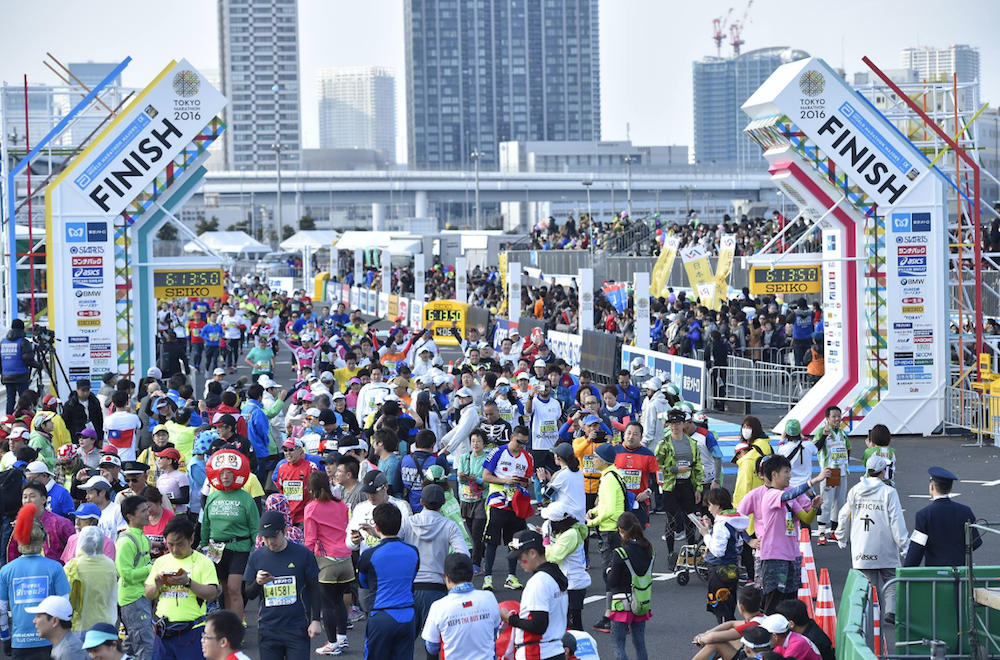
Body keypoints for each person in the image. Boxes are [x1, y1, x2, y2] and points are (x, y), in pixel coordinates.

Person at [737, 456, 827, 614]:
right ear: (774, 475)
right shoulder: (770, 495)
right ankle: (768, 634)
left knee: (790, 602)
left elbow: (806, 517)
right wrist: (814, 480)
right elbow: (738, 518)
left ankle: (786, 635)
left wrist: (813, 507)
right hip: (773, 556)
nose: (790, 475)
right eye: (786, 472)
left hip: (792, 555)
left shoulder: (790, 493)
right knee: (773, 602)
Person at [836, 455, 907, 623]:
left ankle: (871, 616)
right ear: (883, 471)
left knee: (869, 584)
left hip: (863, 546)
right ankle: (891, 611)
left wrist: (841, 536)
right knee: (891, 580)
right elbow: (896, 521)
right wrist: (904, 544)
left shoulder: (855, 490)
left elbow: (844, 515)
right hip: (885, 546)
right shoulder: (889, 492)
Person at [243, 511, 323, 660]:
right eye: (266, 538)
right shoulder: (256, 557)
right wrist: (257, 583)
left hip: (297, 628)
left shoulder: (303, 554)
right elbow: (249, 594)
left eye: (274, 536)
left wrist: (316, 620)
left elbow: (314, 589)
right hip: (268, 629)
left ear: (285, 531)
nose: (270, 542)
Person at [143, 517, 221, 660]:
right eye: (170, 544)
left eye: (179, 544)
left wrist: (188, 582)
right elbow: (148, 594)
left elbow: (212, 593)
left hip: (192, 631)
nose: (174, 549)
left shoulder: (203, 562)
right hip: (163, 632)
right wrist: (157, 585)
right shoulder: (161, 562)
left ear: (191, 539)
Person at [0, 507, 72, 660]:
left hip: (19, 643)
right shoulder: (55, 567)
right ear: (42, 539)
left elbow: (1, 610)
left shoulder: (6, 571)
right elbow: (65, 605)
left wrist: (5, 638)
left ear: (19, 538)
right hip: (51, 640)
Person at [399, 484, 469, 632]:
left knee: (406, 640)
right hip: (437, 586)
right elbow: (464, 555)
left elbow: (392, 543)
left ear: (421, 502)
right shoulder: (450, 526)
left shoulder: (407, 522)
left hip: (409, 588)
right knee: (433, 641)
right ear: (443, 502)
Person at [357, 503, 420, 660]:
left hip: (381, 615)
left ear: (376, 527)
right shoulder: (413, 551)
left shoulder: (369, 555)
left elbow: (364, 583)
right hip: (408, 614)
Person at [201, 457, 260, 625]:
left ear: (236, 475)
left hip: (239, 547)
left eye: (229, 473)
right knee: (223, 589)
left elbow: (255, 525)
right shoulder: (213, 497)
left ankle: (237, 625)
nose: (225, 476)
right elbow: (205, 522)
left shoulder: (246, 498)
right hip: (215, 548)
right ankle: (227, 625)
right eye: (222, 473)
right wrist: (204, 544)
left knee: (234, 589)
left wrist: (257, 548)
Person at [303, 472, 353, 656]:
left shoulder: (311, 508)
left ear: (310, 488)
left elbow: (310, 540)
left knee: (327, 604)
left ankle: (332, 643)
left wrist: (305, 562)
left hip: (326, 561)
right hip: (346, 558)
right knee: (339, 600)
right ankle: (342, 637)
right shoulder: (341, 504)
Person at [501, 529, 569, 660]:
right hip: (555, 649)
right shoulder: (555, 576)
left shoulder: (538, 582)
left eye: (521, 557)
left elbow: (539, 625)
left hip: (537, 652)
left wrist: (510, 618)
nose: (519, 562)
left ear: (532, 553)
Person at [481, 426, 534, 592]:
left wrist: (524, 483)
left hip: (516, 504)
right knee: (492, 542)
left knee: (515, 542)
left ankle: (511, 576)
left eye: (524, 443)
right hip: (497, 502)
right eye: (519, 442)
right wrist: (505, 481)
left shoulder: (527, 457)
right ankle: (487, 578)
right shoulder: (498, 452)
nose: (521, 446)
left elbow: (529, 480)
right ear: (512, 437)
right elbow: (485, 477)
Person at [421, 553, 501, 660]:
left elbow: (431, 646)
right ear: (472, 576)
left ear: (447, 578)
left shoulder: (438, 606)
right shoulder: (489, 598)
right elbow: (494, 631)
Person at [904, 467, 982, 567]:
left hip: (935, 574)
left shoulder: (924, 514)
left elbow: (917, 548)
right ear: (950, 489)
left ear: (932, 487)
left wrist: (906, 572)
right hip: (959, 572)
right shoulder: (965, 511)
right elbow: (975, 542)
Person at [586, 442, 626, 634]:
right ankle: (612, 615)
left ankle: (612, 617)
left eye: (595, 456)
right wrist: (594, 511)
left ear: (602, 460)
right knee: (616, 574)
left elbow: (609, 510)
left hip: (610, 531)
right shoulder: (613, 474)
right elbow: (607, 505)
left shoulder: (608, 479)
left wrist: (592, 523)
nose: (592, 459)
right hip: (616, 529)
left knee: (611, 575)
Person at [656, 408, 704, 562]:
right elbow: (657, 467)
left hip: (687, 485)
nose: (674, 427)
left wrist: (698, 488)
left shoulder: (692, 443)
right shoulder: (663, 444)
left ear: (683, 424)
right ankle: (671, 553)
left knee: (690, 519)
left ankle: (691, 551)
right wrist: (675, 470)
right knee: (672, 519)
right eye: (671, 424)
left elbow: (697, 466)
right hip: (671, 487)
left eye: (677, 423)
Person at [607, 512, 654, 660]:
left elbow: (612, 581)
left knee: (619, 644)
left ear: (621, 530)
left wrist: (608, 571)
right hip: (641, 600)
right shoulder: (648, 549)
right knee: (640, 643)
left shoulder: (620, 553)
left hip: (621, 602)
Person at [701, 487, 749, 623]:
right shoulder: (735, 519)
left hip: (719, 570)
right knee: (728, 609)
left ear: (717, 504)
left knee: (722, 613)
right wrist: (710, 529)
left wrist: (706, 535)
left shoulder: (722, 523)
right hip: (732, 567)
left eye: (710, 505)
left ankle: (728, 642)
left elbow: (718, 551)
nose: (709, 509)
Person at [115, 496, 154, 660]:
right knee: (146, 647)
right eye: (143, 511)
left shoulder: (142, 536)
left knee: (131, 646)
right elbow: (127, 575)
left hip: (141, 596)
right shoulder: (126, 541)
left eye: (147, 509)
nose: (148, 513)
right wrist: (153, 567)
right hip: (133, 599)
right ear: (130, 516)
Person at [541, 501, 589, 631]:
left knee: (573, 626)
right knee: (568, 624)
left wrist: (546, 538)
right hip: (572, 581)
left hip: (573, 582)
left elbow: (552, 557)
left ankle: (577, 650)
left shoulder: (570, 535)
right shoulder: (571, 529)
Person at [62, 526, 117, 636]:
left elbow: (65, 597)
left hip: (79, 625)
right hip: (105, 623)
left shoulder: (72, 565)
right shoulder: (110, 565)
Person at [690, 586, 767, 660]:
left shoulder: (752, 625)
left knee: (716, 643)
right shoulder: (761, 618)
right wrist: (708, 633)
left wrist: (700, 639)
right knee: (721, 640)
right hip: (756, 652)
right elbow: (732, 623)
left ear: (741, 607)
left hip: (749, 657)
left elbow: (712, 638)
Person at [811, 406, 850, 545]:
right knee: (826, 503)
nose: (837, 419)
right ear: (827, 418)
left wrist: (844, 463)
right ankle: (821, 533)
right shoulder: (822, 431)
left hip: (842, 472)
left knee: (839, 503)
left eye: (839, 416)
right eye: (834, 416)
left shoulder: (843, 433)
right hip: (829, 472)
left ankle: (833, 531)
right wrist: (823, 435)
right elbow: (815, 448)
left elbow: (848, 448)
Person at [10, 481, 74, 563]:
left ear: (43, 499)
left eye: (32, 496)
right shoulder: (19, 524)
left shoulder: (60, 523)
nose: (27, 501)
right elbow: (13, 553)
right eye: (25, 497)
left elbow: (73, 551)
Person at [613, 421, 658, 527]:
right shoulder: (614, 452)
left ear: (641, 437)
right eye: (628, 433)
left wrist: (647, 492)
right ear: (624, 435)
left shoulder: (648, 455)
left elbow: (657, 478)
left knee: (637, 536)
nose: (631, 437)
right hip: (618, 500)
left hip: (639, 501)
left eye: (635, 434)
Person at [457, 428, 489, 572]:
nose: (475, 444)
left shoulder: (488, 459)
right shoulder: (465, 457)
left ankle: (476, 563)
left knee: (477, 533)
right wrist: (462, 477)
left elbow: (489, 481)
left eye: (478, 441)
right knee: (473, 534)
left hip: (481, 499)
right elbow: (459, 479)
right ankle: (483, 556)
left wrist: (478, 480)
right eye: (473, 441)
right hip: (466, 499)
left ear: (484, 443)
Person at [1, 320, 40, 414]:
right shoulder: (23, 342)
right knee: (25, 399)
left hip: (7, 375)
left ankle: (8, 421)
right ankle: (26, 418)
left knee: (10, 400)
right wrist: (39, 366)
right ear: (22, 328)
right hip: (21, 375)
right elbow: (28, 359)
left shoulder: (3, 342)